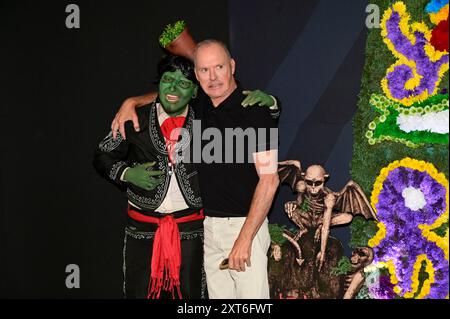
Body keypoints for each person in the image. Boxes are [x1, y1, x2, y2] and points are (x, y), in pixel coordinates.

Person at [111, 39, 280, 299]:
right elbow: (170, 95)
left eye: (219, 67)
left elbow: (269, 180)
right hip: (209, 227)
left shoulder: (255, 112)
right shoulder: (199, 105)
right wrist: (130, 102)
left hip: (245, 226)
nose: (213, 77)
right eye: (204, 70)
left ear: (232, 66)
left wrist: (245, 239)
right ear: (197, 75)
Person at [93, 55, 205, 299]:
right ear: (158, 84)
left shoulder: (207, 121)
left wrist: (271, 103)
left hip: (191, 230)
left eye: (183, 83)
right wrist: (126, 173)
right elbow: (102, 155)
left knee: (192, 296)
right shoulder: (134, 118)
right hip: (143, 230)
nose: (173, 88)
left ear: (195, 91)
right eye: (167, 80)